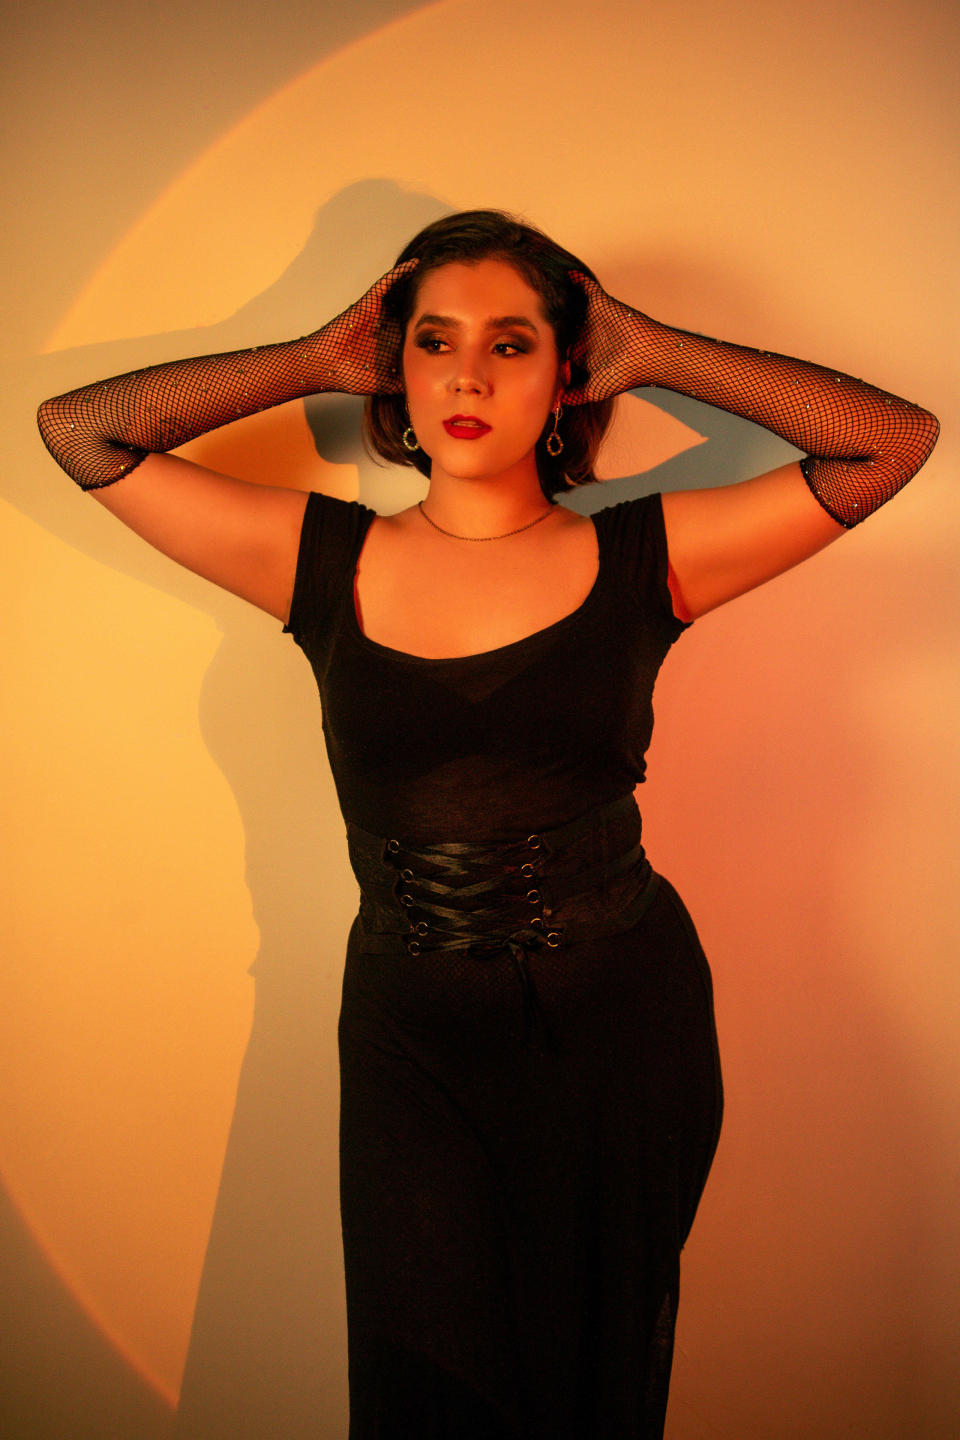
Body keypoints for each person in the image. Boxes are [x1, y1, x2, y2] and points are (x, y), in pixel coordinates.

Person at [37, 210, 938, 1439]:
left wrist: (653, 349)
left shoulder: (648, 558)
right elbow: (80, 430)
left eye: (511, 345)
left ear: (566, 378)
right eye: (434, 342)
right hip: (414, 1041)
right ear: (396, 370)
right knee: (424, 1389)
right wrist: (309, 360)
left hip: (621, 1032)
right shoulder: (316, 559)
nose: (467, 376)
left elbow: (890, 442)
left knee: (587, 1387)